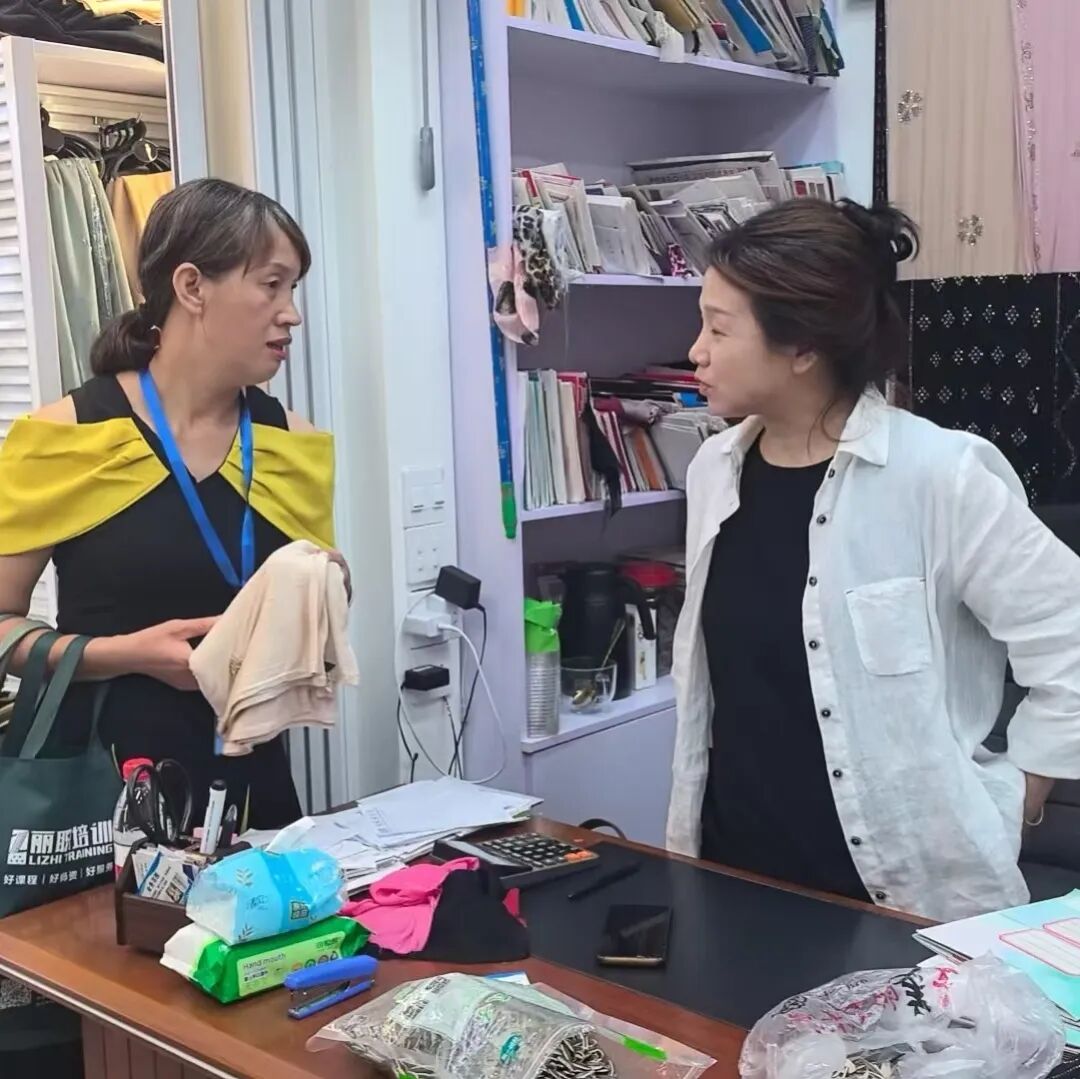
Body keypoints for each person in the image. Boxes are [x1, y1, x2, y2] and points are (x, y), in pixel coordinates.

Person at [666, 197, 1080, 922]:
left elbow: (1070, 640)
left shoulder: (938, 475)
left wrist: (1018, 797)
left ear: (802, 348)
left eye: (718, 328)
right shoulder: (713, 470)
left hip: (902, 900)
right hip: (733, 875)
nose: (695, 350)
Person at [0, 177, 346, 831]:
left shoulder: (291, 445)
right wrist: (126, 653)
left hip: (253, 789)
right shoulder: (66, 437)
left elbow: (311, 639)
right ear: (192, 287)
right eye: (272, 285)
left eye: (293, 289)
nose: (291, 313)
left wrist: (324, 598)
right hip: (100, 798)